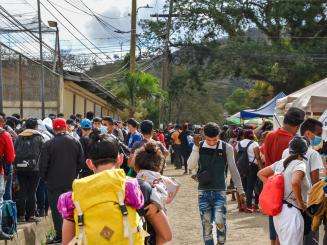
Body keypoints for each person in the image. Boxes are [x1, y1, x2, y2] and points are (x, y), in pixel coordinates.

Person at [187, 122, 245, 245]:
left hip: (220, 191)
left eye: (215, 139)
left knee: (220, 223)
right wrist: (196, 148)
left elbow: (233, 169)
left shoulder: (226, 148)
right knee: (206, 225)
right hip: (203, 191)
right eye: (209, 140)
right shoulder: (199, 146)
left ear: (219, 136)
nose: (212, 142)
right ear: (203, 136)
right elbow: (190, 166)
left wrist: (241, 190)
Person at [263, 107, 305, 245]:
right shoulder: (293, 142)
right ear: (297, 126)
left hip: (273, 192)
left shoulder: (269, 136)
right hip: (287, 197)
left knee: (275, 232)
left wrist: (270, 184)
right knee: (285, 236)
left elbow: (264, 163)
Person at [258, 136, 310, 245]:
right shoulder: (300, 164)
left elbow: (261, 173)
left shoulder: (280, 163)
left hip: (279, 211)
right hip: (292, 212)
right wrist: (301, 203)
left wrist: (272, 187)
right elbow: (295, 182)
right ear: (305, 152)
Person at [39, 118, 84, 244]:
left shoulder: (49, 144)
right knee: (71, 209)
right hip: (71, 182)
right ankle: (74, 234)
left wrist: (45, 178)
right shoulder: (75, 141)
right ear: (65, 127)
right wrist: (74, 173)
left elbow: (43, 165)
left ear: (54, 129)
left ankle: (60, 236)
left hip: (53, 184)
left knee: (57, 210)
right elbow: (81, 161)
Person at [282, 118, 324, 244]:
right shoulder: (313, 153)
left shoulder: (286, 152)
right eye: (319, 134)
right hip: (307, 201)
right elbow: (315, 181)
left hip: (288, 201)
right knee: (310, 237)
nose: (320, 137)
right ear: (308, 133)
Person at [134, 142, 176, 244]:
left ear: (136, 165)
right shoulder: (160, 179)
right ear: (159, 166)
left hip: (137, 222)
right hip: (154, 214)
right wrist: (166, 200)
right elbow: (175, 186)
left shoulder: (136, 179)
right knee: (163, 235)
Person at [14, 118, 45, 222]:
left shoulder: (19, 137)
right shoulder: (39, 137)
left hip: (20, 167)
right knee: (32, 191)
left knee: (22, 190)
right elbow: (44, 154)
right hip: (34, 169)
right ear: (36, 126)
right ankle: (31, 215)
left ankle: (21, 216)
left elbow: (14, 152)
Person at [236, 129, 263, 212]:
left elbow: (236, 156)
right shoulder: (254, 144)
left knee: (243, 186)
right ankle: (248, 206)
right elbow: (258, 157)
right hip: (252, 167)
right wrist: (261, 168)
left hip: (241, 167)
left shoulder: (238, 143)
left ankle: (242, 205)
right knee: (250, 187)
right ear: (252, 135)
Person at [0, 113, 15, 240]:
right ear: (2, 123)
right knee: (1, 200)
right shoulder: (4, 135)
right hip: (0, 170)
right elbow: (10, 157)